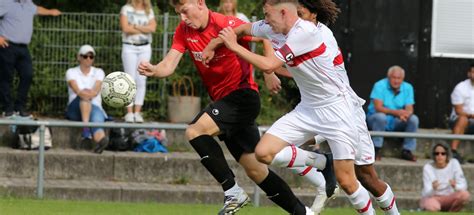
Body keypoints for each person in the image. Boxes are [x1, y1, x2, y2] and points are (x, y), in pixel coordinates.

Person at [210, 0, 403, 214]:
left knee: (361, 178)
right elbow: (246, 29)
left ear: (311, 14)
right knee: (264, 152)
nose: (266, 20)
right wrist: (212, 46)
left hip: (341, 108)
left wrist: (246, 55)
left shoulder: (312, 33)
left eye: (301, 12)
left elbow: (273, 64)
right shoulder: (275, 25)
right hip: (310, 108)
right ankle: (323, 161)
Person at [138, 0, 315, 214]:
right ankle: (303, 212)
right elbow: (168, 65)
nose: (182, 18)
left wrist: (269, 72)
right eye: (178, 13)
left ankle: (232, 191)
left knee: (195, 131)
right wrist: (154, 69)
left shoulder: (227, 23)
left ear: (200, 3)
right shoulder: (183, 31)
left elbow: (263, 37)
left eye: (184, 11)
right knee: (256, 169)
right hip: (227, 105)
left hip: (243, 97)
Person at [0, 0, 61, 118]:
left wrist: (50, 12)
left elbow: (37, 9)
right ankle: (8, 109)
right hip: (7, 46)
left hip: (23, 48)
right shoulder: (4, 2)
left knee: (27, 75)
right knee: (6, 78)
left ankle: (19, 108)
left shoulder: (28, 3)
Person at [366, 65, 419, 161]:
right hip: (376, 118)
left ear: (403, 78)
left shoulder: (408, 87)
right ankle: (376, 148)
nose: (396, 81)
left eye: (399, 78)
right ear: (388, 77)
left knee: (413, 119)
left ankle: (407, 150)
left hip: (396, 120)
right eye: (393, 78)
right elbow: (378, 108)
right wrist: (397, 113)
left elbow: (409, 108)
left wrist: (405, 115)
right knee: (380, 117)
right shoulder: (379, 85)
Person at [65, 45, 109, 154]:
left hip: (94, 106)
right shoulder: (71, 71)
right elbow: (77, 91)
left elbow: (96, 90)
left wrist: (86, 93)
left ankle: (101, 141)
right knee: (84, 100)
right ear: (79, 57)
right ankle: (86, 130)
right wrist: (87, 93)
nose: (88, 59)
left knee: (97, 120)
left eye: (91, 56)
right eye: (85, 56)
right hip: (75, 108)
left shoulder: (99, 72)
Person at [120, 0, 157, 123]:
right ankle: (129, 113)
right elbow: (125, 28)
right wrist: (144, 29)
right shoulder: (126, 9)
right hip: (129, 46)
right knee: (129, 79)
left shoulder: (149, 11)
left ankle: (137, 112)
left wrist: (135, 26)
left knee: (141, 78)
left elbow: (153, 27)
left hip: (145, 47)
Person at [420, 143, 470, 212]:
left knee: (464, 195)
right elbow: (426, 192)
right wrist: (433, 189)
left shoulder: (454, 163)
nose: (440, 156)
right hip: (433, 197)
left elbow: (463, 185)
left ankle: (452, 212)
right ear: (433, 155)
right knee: (431, 206)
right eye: (437, 153)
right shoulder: (428, 167)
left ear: (447, 155)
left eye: (443, 153)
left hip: (449, 196)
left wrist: (455, 186)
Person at [449, 63, 474, 164]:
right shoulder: (460, 87)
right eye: (473, 72)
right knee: (463, 118)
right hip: (458, 121)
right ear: (469, 74)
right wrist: (472, 115)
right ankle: (453, 151)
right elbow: (458, 111)